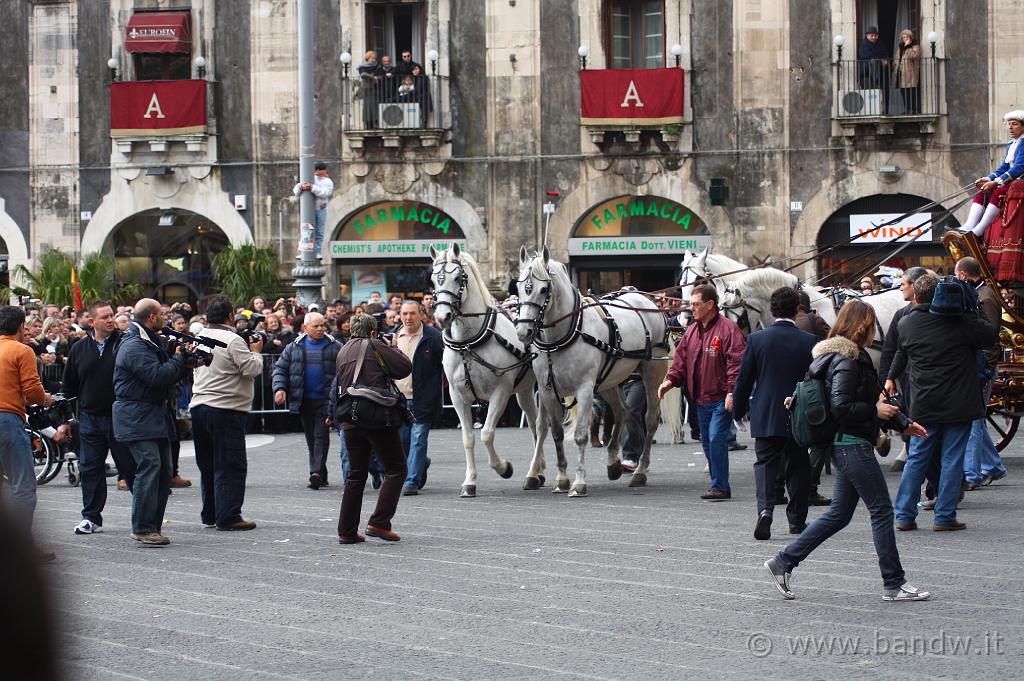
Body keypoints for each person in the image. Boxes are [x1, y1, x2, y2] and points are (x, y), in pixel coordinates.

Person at [764, 300, 930, 602]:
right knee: (881, 510)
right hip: (852, 445)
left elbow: (873, 401)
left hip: (845, 445)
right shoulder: (848, 360)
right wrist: (874, 412)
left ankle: (783, 561)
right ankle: (894, 583)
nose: (873, 331)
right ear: (862, 326)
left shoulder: (840, 356)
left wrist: (903, 422)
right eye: (871, 324)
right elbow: (843, 407)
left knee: (839, 514)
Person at [892, 275, 999, 532]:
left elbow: (901, 354)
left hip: (924, 404)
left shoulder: (907, 323)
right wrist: (970, 308)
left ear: (917, 297)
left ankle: (904, 515)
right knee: (952, 459)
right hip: (959, 403)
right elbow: (990, 335)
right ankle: (944, 516)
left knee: (917, 457)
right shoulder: (962, 323)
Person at [732, 287, 817, 540]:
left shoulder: (757, 340)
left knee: (766, 465)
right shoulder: (810, 341)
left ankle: (766, 510)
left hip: (766, 412)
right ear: (796, 310)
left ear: (772, 309)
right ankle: (797, 520)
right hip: (799, 413)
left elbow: (744, 380)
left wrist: (738, 411)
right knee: (799, 465)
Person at [657, 283, 746, 501]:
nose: (692, 308)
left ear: (710, 305)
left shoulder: (728, 329)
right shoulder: (692, 332)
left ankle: (720, 486)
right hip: (700, 399)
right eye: (691, 304)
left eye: (696, 304)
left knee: (716, 437)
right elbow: (680, 361)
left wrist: (732, 392)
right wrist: (669, 380)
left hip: (720, 398)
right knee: (707, 441)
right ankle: (718, 483)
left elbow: (737, 364)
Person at [112, 299, 188, 546]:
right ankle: (143, 527)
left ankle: (152, 526)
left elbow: (166, 371)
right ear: (152, 318)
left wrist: (186, 361)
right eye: (163, 315)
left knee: (164, 470)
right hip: (137, 415)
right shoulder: (133, 345)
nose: (167, 318)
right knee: (150, 464)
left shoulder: (148, 340)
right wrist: (178, 358)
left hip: (153, 414)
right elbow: (157, 375)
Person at [331, 313, 412, 543]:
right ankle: (379, 522)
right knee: (396, 468)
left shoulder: (343, 350)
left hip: (350, 417)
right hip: (375, 415)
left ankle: (346, 531)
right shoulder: (374, 344)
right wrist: (394, 347)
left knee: (356, 475)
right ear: (373, 332)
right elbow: (404, 368)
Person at [59, 300, 135, 535]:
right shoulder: (78, 349)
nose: (111, 320)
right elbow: (68, 388)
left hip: (121, 416)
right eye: (105, 317)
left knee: (130, 467)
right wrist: (64, 420)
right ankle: (91, 517)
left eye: (112, 315)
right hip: (90, 418)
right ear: (91, 322)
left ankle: (145, 516)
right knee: (90, 467)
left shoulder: (126, 343)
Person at [189, 295, 264, 531]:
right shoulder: (232, 340)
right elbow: (251, 369)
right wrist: (257, 351)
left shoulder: (200, 337)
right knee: (230, 464)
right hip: (226, 408)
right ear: (231, 316)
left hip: (200, 406)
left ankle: (210, 513)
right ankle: (229, 515)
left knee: (208, 464)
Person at [0, 305, 60, 562]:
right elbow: (33, 391)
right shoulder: (21, 350)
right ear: (22, 326)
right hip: (7, 420)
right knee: (22, 486)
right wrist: (46, 400)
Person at [955, 258, 1009, 489]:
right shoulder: (981, 293)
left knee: (974, 420)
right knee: (975, 418)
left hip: (982, 366)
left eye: (956, 274)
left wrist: (984, 374)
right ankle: (994, 466)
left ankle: (971, 474)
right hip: (980, 365)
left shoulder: (984, 297)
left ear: (964, 275)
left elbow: (989, 339)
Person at [273, 312, 342, 489]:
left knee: (321, 434)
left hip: (326, 399)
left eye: (322, 325)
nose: (320, 329)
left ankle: (315, 472)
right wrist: (280, 388)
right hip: (303, 399)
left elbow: (343, 371)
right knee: (311, 437)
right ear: (305, 328)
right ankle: (321, 473)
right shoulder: (293, 347)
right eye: (316, 326)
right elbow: (280, 369)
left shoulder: (335, 346)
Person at [878, 266, 929, 472]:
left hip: (922, 381)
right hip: (910, 381)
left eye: (903, 284)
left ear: (915, 287)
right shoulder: (901, 315)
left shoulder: (909, 316)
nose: (900, 288)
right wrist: (886, 380)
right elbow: (890, 351)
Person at [395, 300, 444, 496]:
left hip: (422, 399)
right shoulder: (393, 336)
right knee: (403, 443)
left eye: (412, 313)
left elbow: (445, 365)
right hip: (398, 400)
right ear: (400, 315)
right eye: (405, 314)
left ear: (421, 315)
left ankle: (411, 481)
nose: (408, 318)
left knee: (418, 440)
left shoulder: (433, 337)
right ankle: (421, 463)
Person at [961, 110, 1024, 239]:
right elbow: (1004, 167)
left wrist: (995, 182)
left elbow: (1019, 167)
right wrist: (987, 179)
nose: (1010, 127)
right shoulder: (1011, 144)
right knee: (982, 190)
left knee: (997, 192)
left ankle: (978, 230)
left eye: (1015, 124)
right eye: (1009, 124)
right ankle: (969, 225)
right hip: (1010, 180)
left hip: (1019, 181)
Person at [292, 161, 334, 257]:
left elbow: (325, 193)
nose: (323, 172)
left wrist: (312, 187)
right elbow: (296, 191)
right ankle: (304, 252)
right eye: (320, 170)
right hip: (308, 210)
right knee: (307, 230)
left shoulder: (328, 181)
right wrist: (300, 186)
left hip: (320, 209)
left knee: (319, 232)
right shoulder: (308, 177)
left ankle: (317, 252)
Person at [857, 25, 890, 108]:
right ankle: (871, 110)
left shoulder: (879, 43)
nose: (874, 37)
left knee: (884, 91)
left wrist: (885, 60)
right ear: (867, 36)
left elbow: (885, 53)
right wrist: (880, 60)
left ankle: (885, 110)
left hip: (880, 71)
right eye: (872, 35)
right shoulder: (864, 44)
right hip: (867, 72)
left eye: (875, 35)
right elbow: (866, 56)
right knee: (870, 93)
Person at [893, 29, 921, 114]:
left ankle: (912, 110)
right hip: (901, 73)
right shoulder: (900, 46)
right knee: (903, 92)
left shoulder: (915, 46)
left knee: (910, 93)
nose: (905, 38)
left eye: (906, 37)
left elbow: (914, 56)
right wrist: (895, 67)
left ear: (910, 37)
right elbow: (897, 58)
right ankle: (907, 109)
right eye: (903, 37)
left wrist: (908, 47)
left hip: (910, 73)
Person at [357, 50, 381, 128]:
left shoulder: (377, 66)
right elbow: (363, 74)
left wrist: (377, 77)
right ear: (368, 58)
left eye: (374, 58)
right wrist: (373, 77)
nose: (373, 60)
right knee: (368, 107)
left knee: (375, 107)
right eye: (372, 58)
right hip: (367, 89)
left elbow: (380, 75)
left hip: (375, 89)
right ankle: (368, 125)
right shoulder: (362, 67)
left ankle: (376, 124)